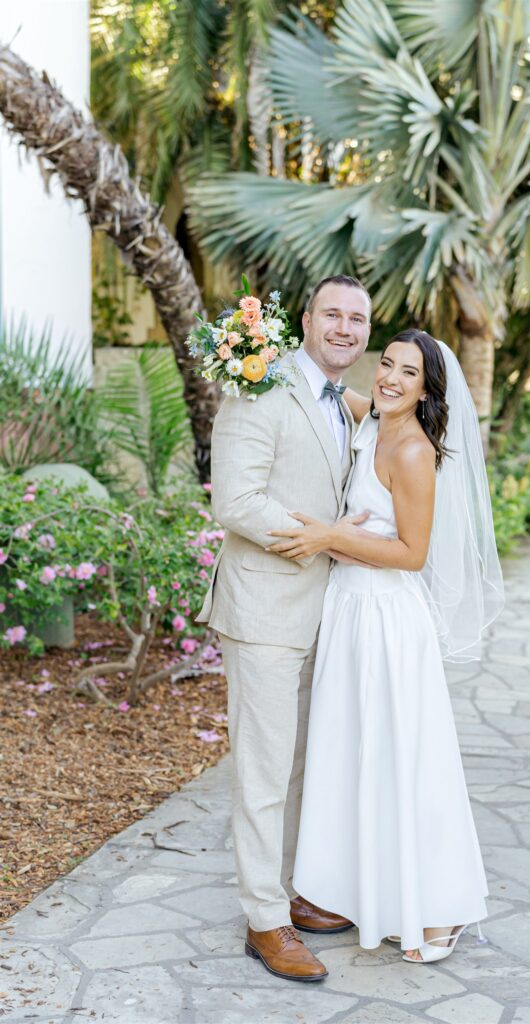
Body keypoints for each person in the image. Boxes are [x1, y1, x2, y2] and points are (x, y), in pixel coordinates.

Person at [267, 328, 505, 962]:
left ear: (428, 387)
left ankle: (438, 906)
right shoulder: (366, 416)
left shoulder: (413, 451)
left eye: (409, 372)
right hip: (346, 610)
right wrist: (249, 352)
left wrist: (324, 539)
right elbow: (311, 390)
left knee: (403, 760)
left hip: (387, 619)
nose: (392, 379)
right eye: (388, 365)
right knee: (352, 756)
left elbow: (411, 554)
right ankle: (359, 889)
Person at [196, 275, 371, 981]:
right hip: (265, 608)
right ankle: (264, 920)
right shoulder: (257, 389)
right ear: (304, 320)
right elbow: (235, 499)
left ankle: (296, 893)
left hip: (325, 612)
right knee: (264, 772)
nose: (344, 328)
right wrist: (329, 539)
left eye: (356, 319)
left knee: (304, 764)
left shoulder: (348, 404)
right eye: (332, 314)